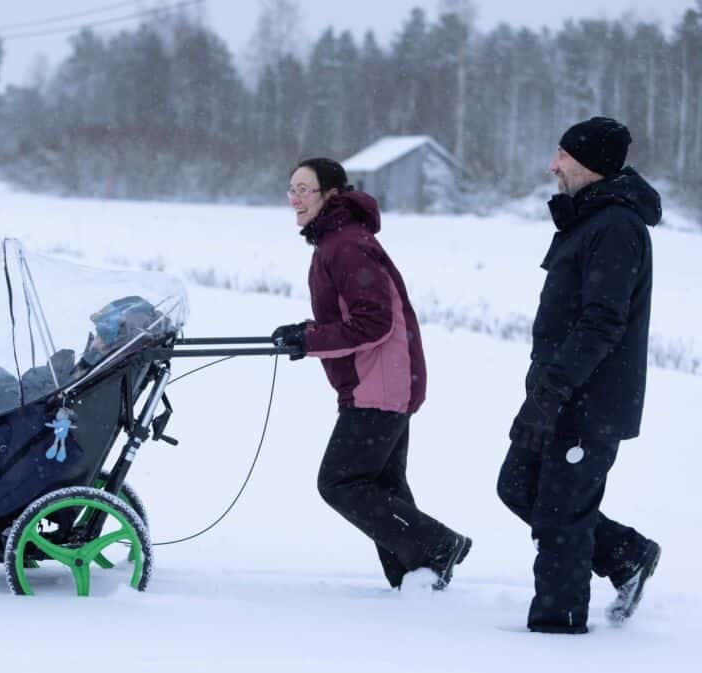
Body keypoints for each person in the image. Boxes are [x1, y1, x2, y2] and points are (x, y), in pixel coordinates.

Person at [272, 157, 471, 590]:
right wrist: (306, 333)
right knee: (384, 485)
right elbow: (356, 318)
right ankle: (417, 578)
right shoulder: (338, 242)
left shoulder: (345, 245)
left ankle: (437, 545)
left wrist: (310, 341)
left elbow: (373, 322)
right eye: (291, 189)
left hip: (381, 385)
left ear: (332, 193)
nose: (294, 199)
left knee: (340, 482)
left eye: (304, 189)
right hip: (384, 382)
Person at [496, 116, 662, 634]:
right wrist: (545, 391)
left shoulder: (616, 227)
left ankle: (558, 632)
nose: (553, 165)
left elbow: (600, 322)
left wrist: (555, 390)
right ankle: (626, 554)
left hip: (588, 399)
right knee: (519, 486)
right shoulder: (588, 221)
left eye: (563, 157)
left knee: (562, 517)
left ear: (589, 165)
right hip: (559, 392)